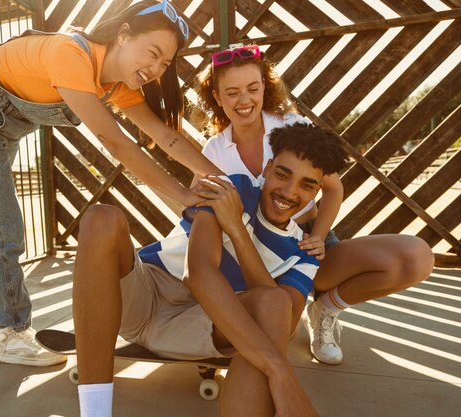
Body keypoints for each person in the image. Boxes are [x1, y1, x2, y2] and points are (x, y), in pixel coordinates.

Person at [0, 0, 221, 367]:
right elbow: (117, 143)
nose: (156, 69)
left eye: (165, 64)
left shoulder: (115, 85)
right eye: (153, 53)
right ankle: (12, 334)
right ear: (124, 34)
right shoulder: (72, 54)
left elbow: (164, 135)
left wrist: (217, 175)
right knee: (1, 227)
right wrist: (182, 195)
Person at [72, 122, 349, 417]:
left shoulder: (304, 251)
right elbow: (198, 274)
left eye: (307, 185)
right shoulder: (234, 189)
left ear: (317, 191)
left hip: (201, 324)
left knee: (275, 302)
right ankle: (94, 413)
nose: (290, 192)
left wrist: (237, 232)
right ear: (267, 168)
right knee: (102, 217)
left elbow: (285, 319)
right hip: (144, 293)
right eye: (283, 174)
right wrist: (280, 372)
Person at [192, 44, 435, 364]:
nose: (245, 100)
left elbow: (333, 188)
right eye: (232, 92)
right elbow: (199, 211)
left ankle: (325, 309)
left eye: (253, 88)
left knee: (414, 259)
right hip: (254, 252)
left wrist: (318, 236)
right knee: (277, 324)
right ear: (217, 97)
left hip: (304, 237)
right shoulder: (213, 150)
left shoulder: (291, 126)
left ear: (265, 86)